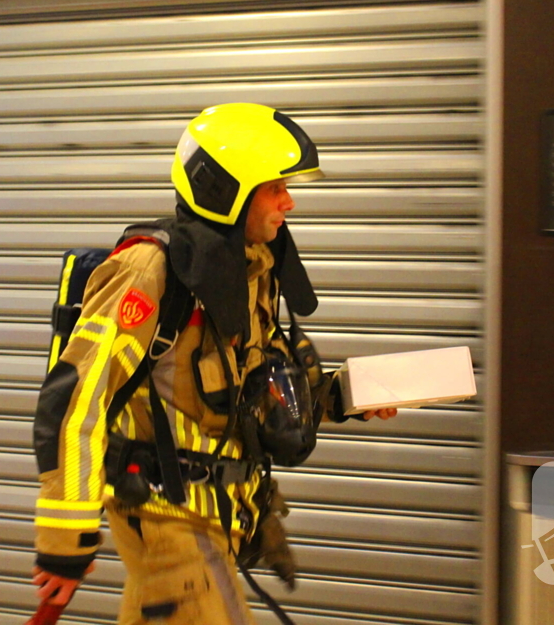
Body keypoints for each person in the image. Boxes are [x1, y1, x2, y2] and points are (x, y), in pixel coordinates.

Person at [31, 102, 396, 624]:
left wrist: (343, 398)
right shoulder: (149, 271)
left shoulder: (249, 271)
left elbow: (255, 390)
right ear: (227, 190)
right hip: (167, 517)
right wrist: (65, 540)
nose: (289, 202)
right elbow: (76, 402)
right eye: (275, 187)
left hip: (217, 516)